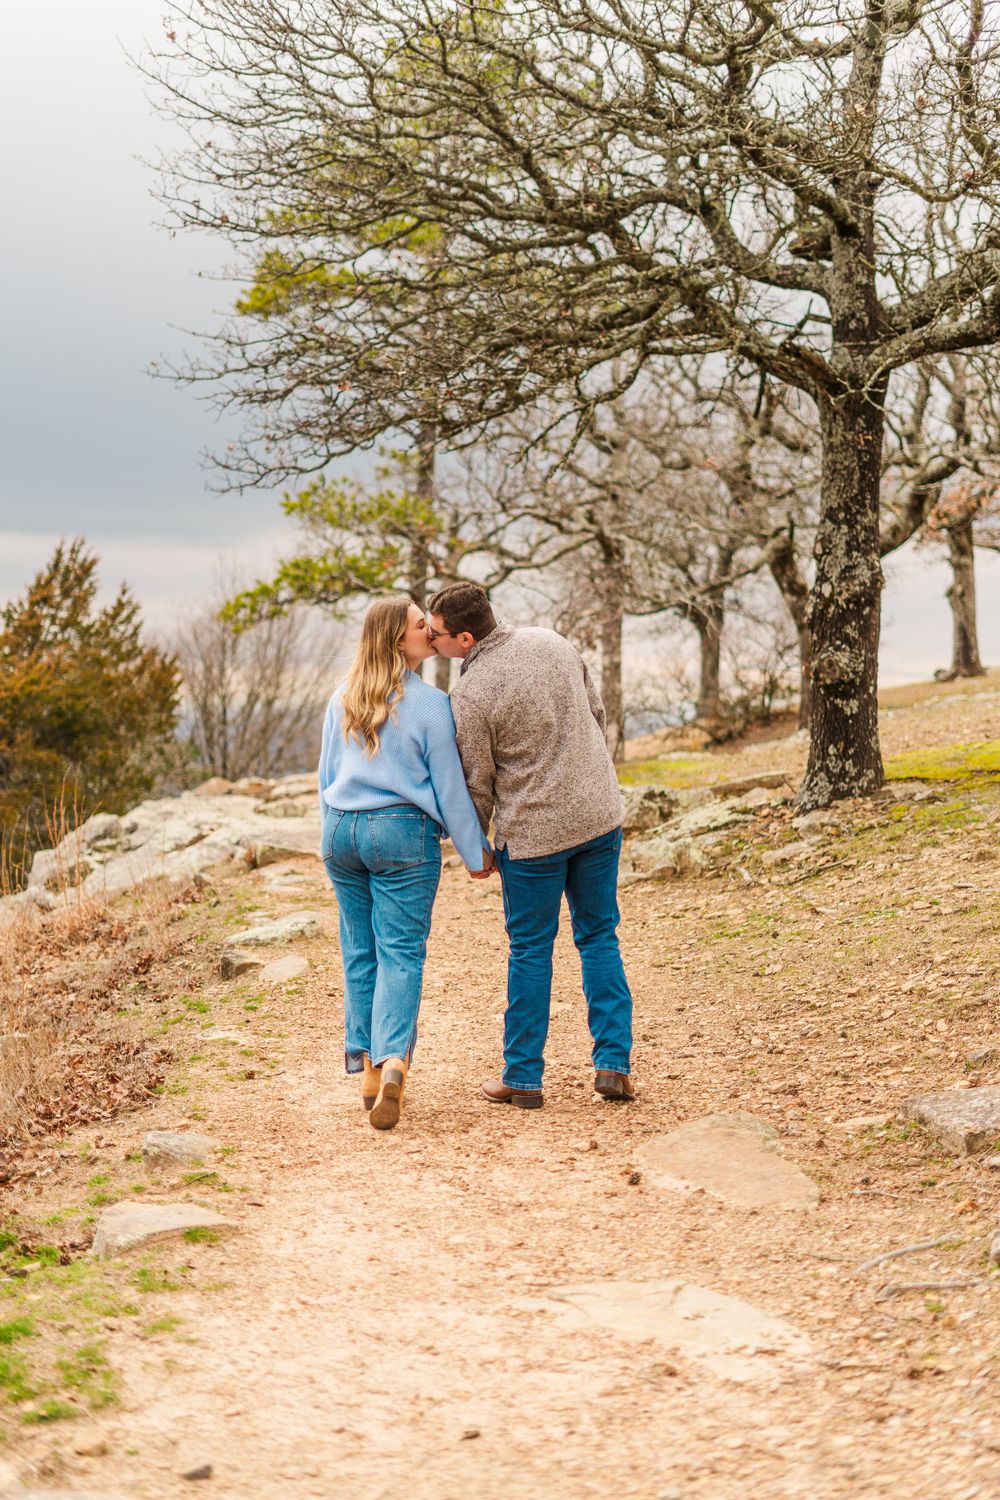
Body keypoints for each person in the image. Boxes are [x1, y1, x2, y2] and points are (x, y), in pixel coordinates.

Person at [427, 582, 635, 1109]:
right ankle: (613, 1064)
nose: (431, 640)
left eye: (438, 634)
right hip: (598, 815)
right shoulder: (553, 641)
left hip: (534, 837)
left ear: (466, 638)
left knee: (530, 951)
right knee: (599, 938)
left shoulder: (470, 696)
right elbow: (597, 714)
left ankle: (522, 1076)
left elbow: (476, 784)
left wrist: (474, 853)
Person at [317, 595, 493, 1130]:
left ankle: (368, 1068)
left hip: (340, 831)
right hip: (400, 833)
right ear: (400, 640)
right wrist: (475, 853)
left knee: (359, 950)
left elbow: (326, 779)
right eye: (422, 625)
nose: (432, 631)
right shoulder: (431, 704)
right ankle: (395, 1059)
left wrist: (331, 830)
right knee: (400, 952)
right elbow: (450, 790)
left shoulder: (342, 696)